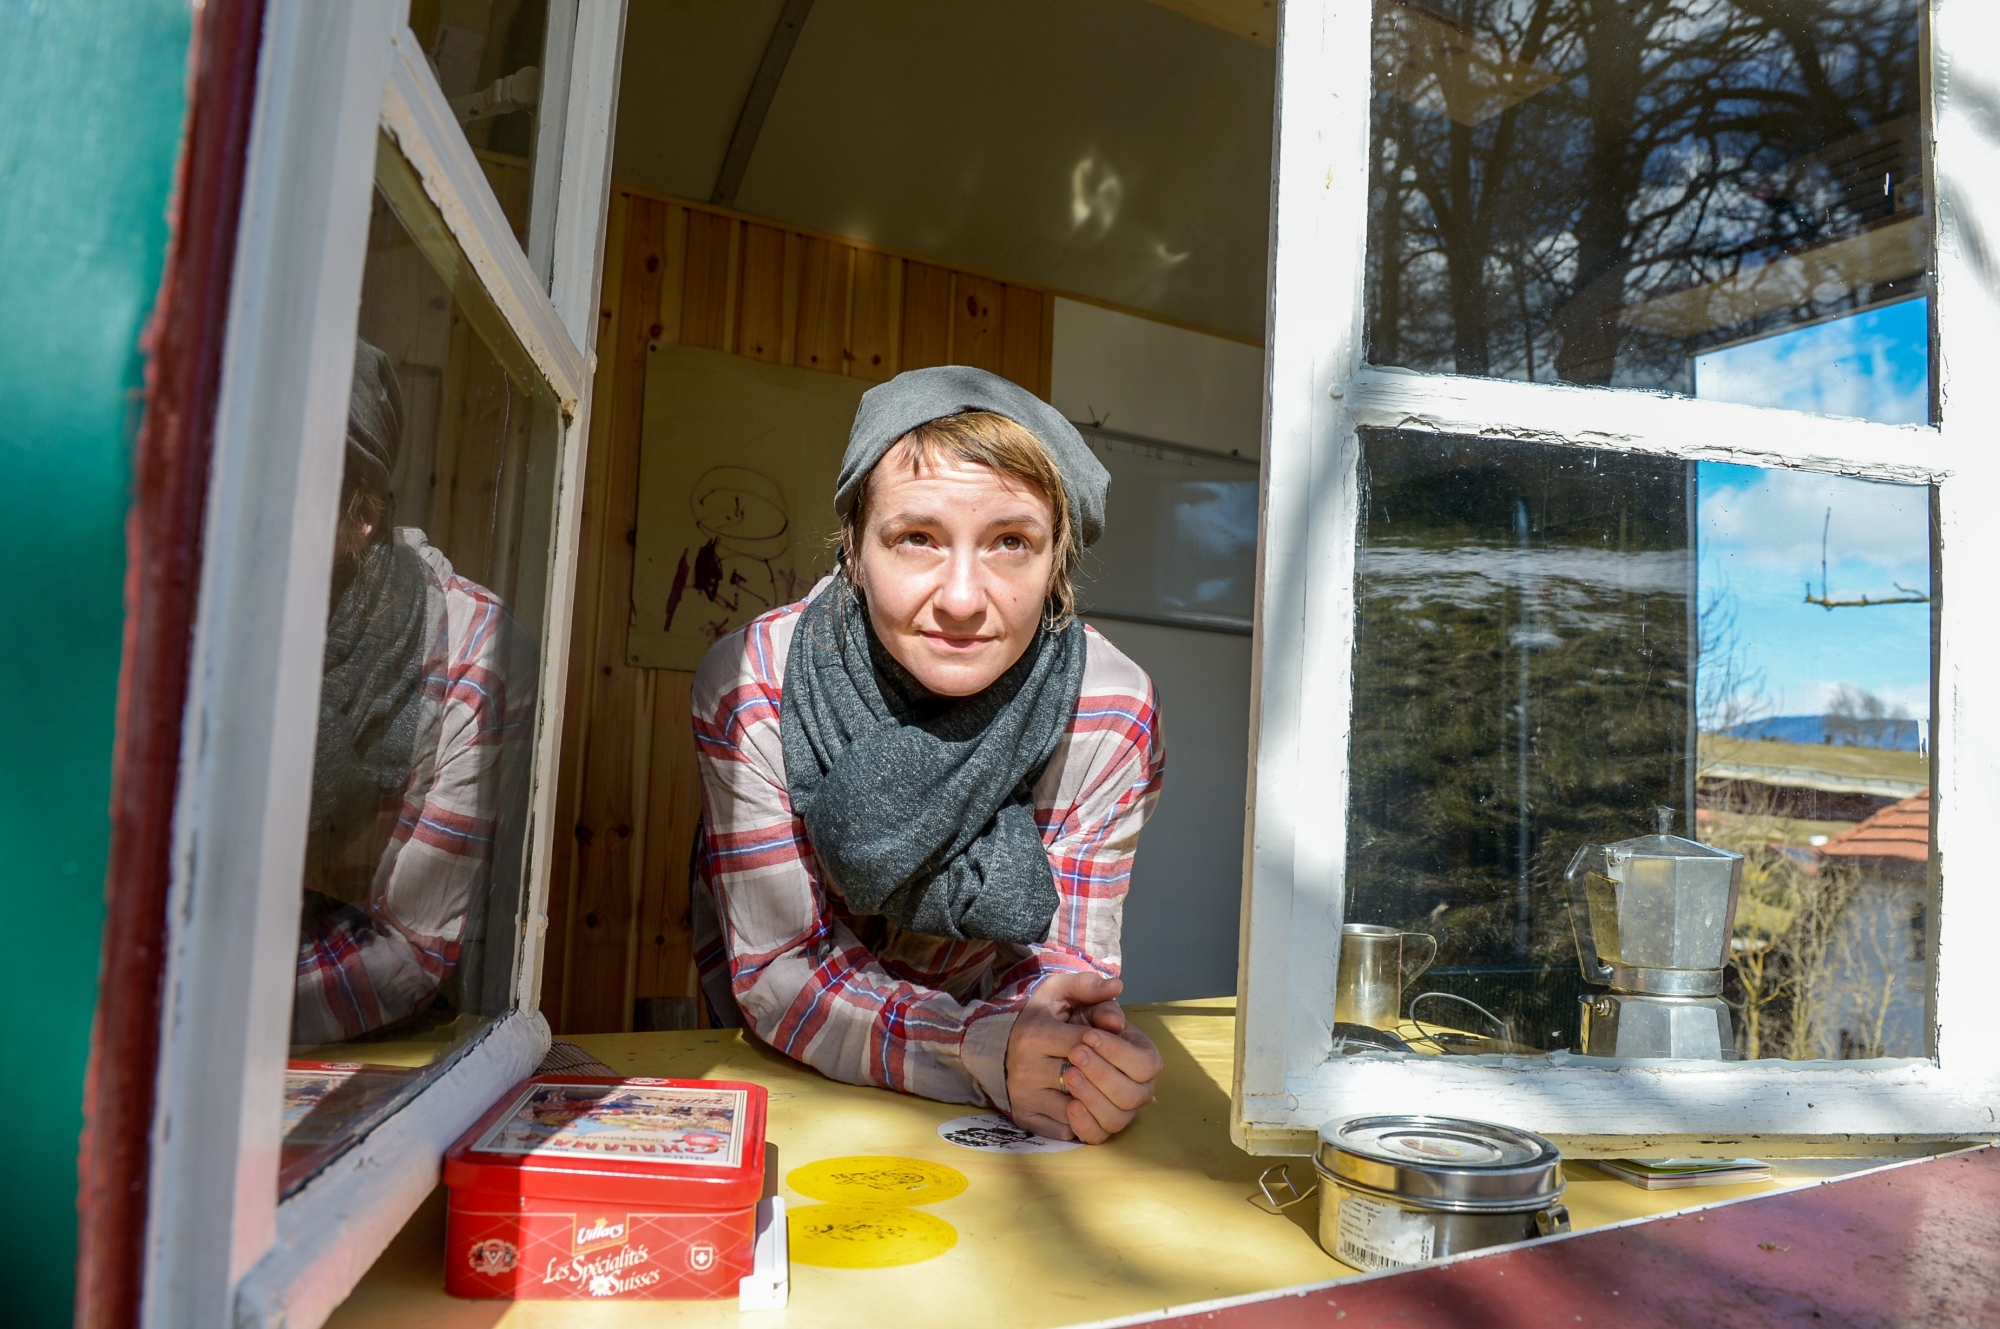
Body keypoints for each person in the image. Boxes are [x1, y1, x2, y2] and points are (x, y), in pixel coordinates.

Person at [691, 366, 1167, 1143]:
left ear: (1057, 566)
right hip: (778, 1053)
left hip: (992, 1055)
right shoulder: (754, 683)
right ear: (851, 545)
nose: (961, 597)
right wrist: (979, 1049)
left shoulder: (1109, 714)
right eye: (917, 537)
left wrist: (1069, 1056)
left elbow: (1059, 975)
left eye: (1012, 542)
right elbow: (781, 973)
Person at [291, 341, 536, 1045]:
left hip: (383, 1045)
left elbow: (407, 954)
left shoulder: (470, 648)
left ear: (359, 516)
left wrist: (192, 1008)